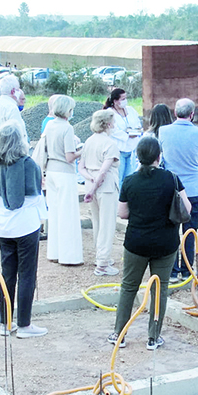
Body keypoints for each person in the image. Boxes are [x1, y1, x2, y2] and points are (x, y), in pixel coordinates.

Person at [108, 136, 190, 350]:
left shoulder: (130, 181)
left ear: (138, 157)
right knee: (160, 289)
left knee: (128, 287)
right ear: (158, 156)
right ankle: (153, 337)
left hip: (136, 242)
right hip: (166, 243)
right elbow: (187, 209)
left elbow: (122, 213)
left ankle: (119, 334)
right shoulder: (171, 178)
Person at [0, 121, 48, 338]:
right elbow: (35, 196)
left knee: (7, 274)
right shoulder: (29, 164)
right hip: (26, 225)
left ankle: (5, 323)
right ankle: (24, 325)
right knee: (27, 274)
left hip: (3, 226)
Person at [159, 98, 198, 279]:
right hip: (192, 185)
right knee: (190, 230)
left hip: (170, 184)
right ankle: (187, 270)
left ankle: (172, 271)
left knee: (171, 229)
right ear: (192, 114)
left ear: (175, 112)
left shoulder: (163, 130)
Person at [44, 95, 84, 265]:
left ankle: (54, 252)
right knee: (68, 215)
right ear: (68, 110)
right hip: (65, 173)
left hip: (51, 171)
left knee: (54, 214)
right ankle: (69, 256)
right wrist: (83, 149)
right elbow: (70, 157)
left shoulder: (49, 125)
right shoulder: (67, 128)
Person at [80, 110, 120, 276]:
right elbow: (104, 171)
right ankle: (103, 262)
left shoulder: (88, 141)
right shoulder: (110, 143)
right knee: (107, 224)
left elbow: (81, 167)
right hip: (106, 186)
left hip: (91, 183)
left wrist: (91, 183)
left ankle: (101, 257)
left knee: (97, 222)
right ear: (108, 124)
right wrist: (95, 184)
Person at [104, 88, 142, 189]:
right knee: (119, 177)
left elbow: (138, 123)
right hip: (119, 149)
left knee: (129, 177)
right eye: (123, 99)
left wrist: (136, 131)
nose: (125, 101)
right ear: (115, 101)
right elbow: (113, 130)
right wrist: (127, 134)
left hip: (131, 148)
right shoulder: (109, 112)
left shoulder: (130, 110)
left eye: (126, 98)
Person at [0, 73, 28, 158]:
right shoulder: (11, 108)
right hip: (11, 158)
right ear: (13, 91)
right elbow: (19, 135)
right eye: (18, 89)